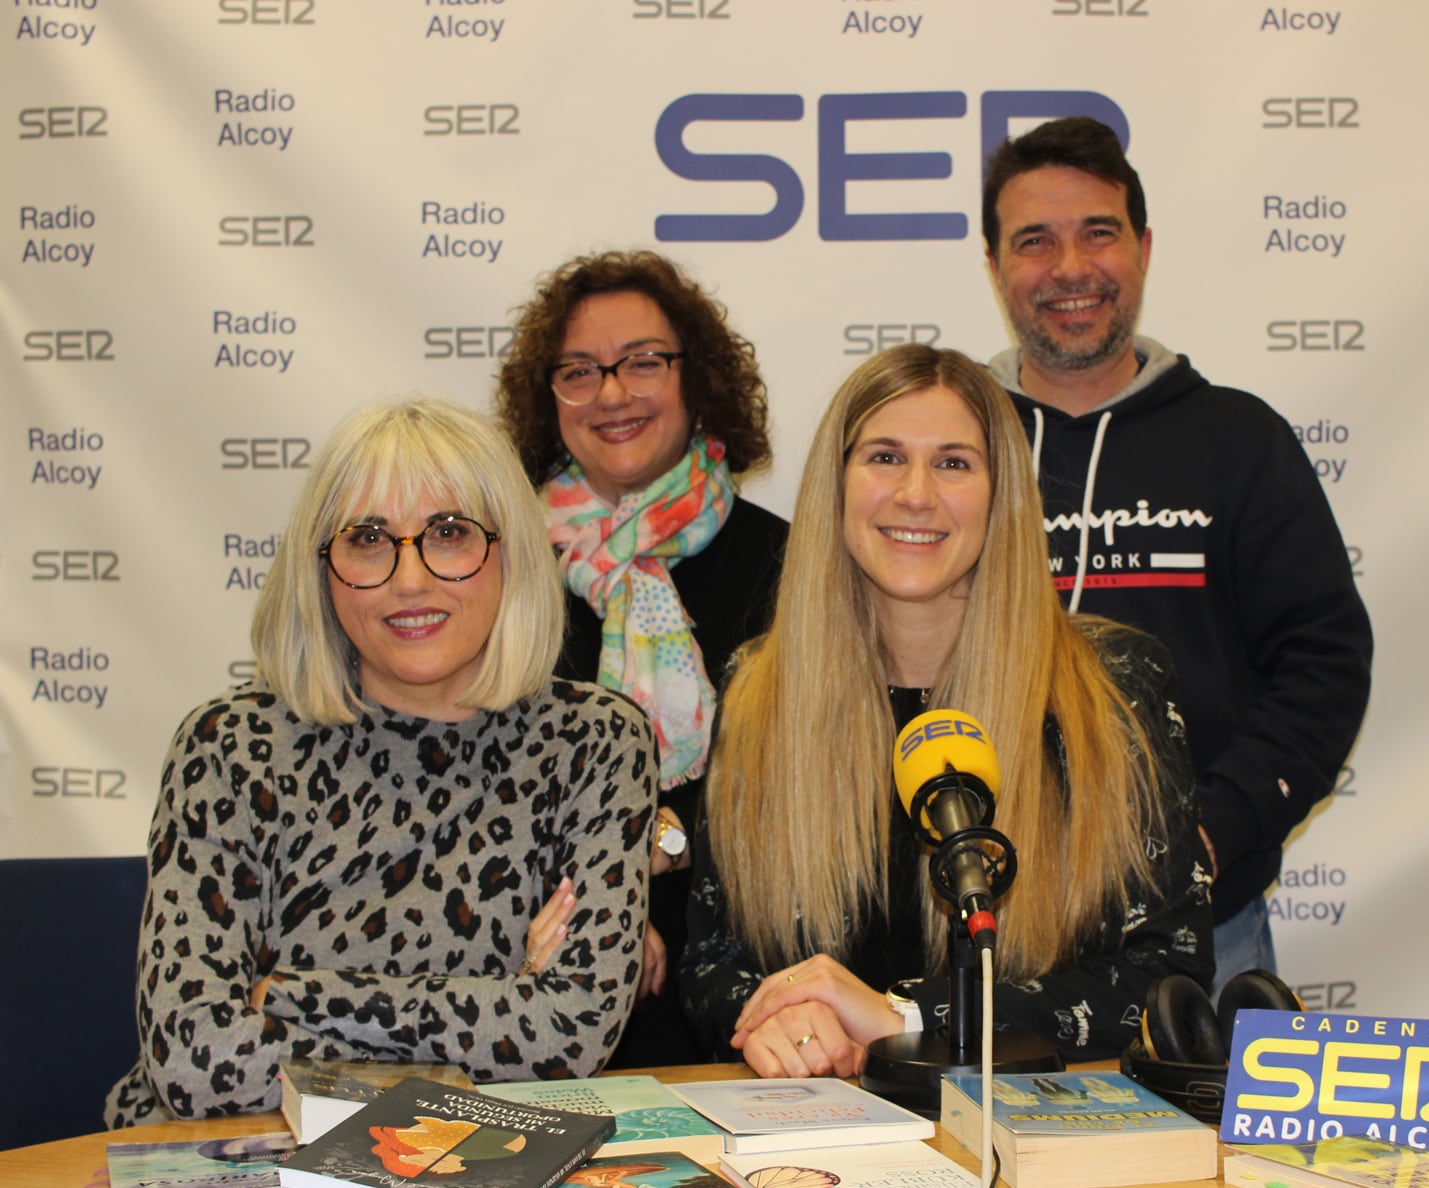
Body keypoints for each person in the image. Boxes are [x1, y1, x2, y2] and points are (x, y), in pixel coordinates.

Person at [105, 400, 655, 1127]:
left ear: (512, 552)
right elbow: (195, 1063)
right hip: (230, 1167)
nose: (409, 578)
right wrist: (500, 1003)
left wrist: (295, 996)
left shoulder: (595, 744)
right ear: (323, 570)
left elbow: (567, 1040)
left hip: (471, 1175)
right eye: (368, 539)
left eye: (450, 534)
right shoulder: (229, 746)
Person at [680, 344, 1214, 1077]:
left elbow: (1169, 973)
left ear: (1003, 497)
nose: (917, 494)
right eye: (886, 458)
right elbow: (712, 964)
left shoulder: (1115, 686)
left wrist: (908, 1018)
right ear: (834, 487)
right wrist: (788, 1017)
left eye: (955, 463)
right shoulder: (755, 691)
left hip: (1039, 1145)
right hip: (825, 1140)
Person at [980, 117, 1373, 995]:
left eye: (1099, 233)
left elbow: (1324, 662)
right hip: (982, 927)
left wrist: (1207, 833)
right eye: (1034, 241)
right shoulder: (952, 444)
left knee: (1213, 1143)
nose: (1070, 268)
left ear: (1144, 249)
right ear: (995, 263)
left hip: (1204, 934)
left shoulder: (1240, 440)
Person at [498, 251, 787, 1066]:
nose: (614, 394)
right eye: (580, 371)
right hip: (547, 988)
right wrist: (607, 913)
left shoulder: (792, 570)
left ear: (698, 376)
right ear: (546, 397)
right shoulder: (499, 573)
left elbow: (806, 801)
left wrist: (643, 864)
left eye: (644, 363)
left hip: (754, 998)